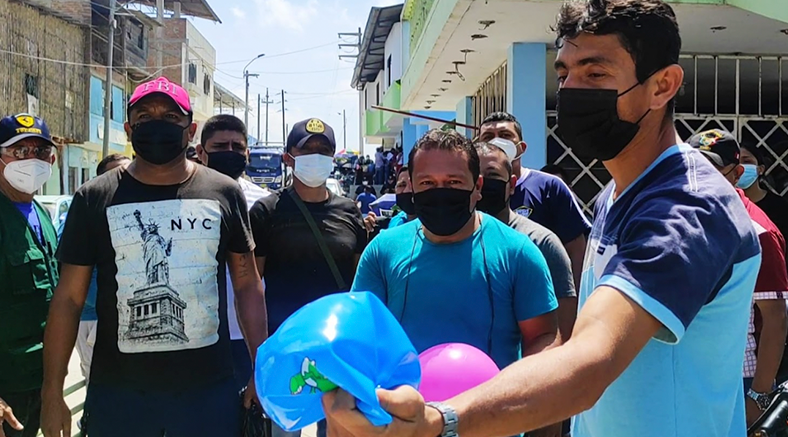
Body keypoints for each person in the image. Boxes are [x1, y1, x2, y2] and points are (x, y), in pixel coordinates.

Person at [322, 2, 762, 437]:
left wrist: (443, 419)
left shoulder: (688, 207)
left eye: (595, 74)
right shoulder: (616, 195)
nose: (572, 91)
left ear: (662, 86)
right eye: (564, 74)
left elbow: (590, 362)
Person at [41, 77, 268, 437]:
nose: (157, 124)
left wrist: (261, 368)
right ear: (129, 129)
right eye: (145, 117)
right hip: (119, 397)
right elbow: (69, 299)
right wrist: (52, 392)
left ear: (190, 130)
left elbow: (247, 285)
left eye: (170, 117)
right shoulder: (94, 197)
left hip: (208, 393)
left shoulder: (223, 193)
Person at [350, 128, 558, 388]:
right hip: (403, 409)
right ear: (412, 187)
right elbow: (360, 335)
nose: (440, 193)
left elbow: (543, 339)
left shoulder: (518, 253)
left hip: (491, 410)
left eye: (454, 182)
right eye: (427, 183)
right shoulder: (382, 251)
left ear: (477, 187)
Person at [248, 118, 367, 437]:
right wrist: (258, 352)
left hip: (337, 345)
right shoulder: (266, 211)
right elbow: (251, 284)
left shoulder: (349, 211)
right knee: (285, 430)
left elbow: (360, 282)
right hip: (286, 344)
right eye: (307, 149)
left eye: (324, 150)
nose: (316, 156)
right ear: (289, 157)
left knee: (342, 428)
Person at [689, 129, 788, 426]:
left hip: (738, 381)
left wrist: (758, 396)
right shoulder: (685, 220)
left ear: (737, 174)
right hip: (688, 375)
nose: (700, 178)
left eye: (712, 170)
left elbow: (776, 319)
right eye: (694, 168)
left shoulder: (758, 233)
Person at [195, 114, 271, 391]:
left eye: (237, 147)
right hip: (199, 334)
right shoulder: (184, 198)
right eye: (220, 147)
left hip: (246, 336)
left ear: (247, 154)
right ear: (201, 152)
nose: (230, 153)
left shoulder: (263, 202)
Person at [475, 141, 576, 342]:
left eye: (493, 175)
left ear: (512, 185)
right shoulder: (453, 239)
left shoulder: (541, 243)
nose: (484, 183)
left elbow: (563, 328)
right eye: (477, 177)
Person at [478, 112, 590, 292]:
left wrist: (577, 297)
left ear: (521, 147)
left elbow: (576, 249)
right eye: (488, 137)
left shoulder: (549, 186)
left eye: (505, 135)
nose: (496, 141)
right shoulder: (472, 188)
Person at [0, 114, 59, 437]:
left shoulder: (42, 215)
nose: (32, 160)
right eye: (20, 151)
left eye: (40, 151)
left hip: (39, 382)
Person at [57, 154, 131, 384]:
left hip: (126, 317)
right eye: (115, 174)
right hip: (93, 318)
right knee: (100, 381)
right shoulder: (85, 215)